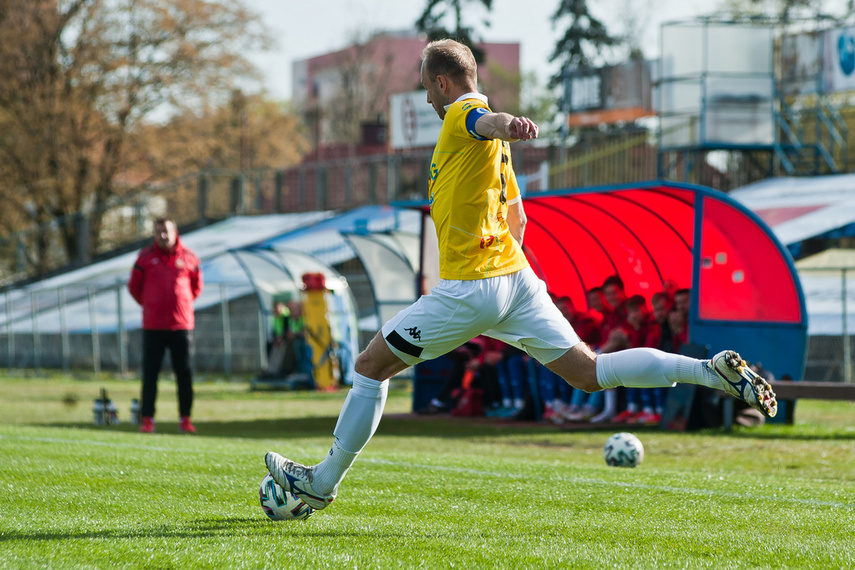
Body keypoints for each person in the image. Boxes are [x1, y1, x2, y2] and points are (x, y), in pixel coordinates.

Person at [264, 39, 777, 510]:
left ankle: (323, 481)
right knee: (590, 372)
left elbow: (486, 119)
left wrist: (508, 124)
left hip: (474, 287)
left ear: (443, 82)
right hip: (516, 279)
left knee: (370, 366)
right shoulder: (496, 155)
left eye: (425, 87)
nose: (425, 99)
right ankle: (707, 372)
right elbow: (519, 219)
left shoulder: (465, 113)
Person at [128, 217, 203, 434]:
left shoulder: (189, 257)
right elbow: (134, 288)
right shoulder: (144, 258)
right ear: (154, 233)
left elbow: (196, 288)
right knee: (150, 374)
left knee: (184, 374)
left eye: (166, 231)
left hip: (182, 326)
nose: (163, 235)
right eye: (159, 231)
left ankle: (185, 419)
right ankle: (148, 419)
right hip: (153, 326)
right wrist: (152, 305)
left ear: (175, 231)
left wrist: (182, 305)